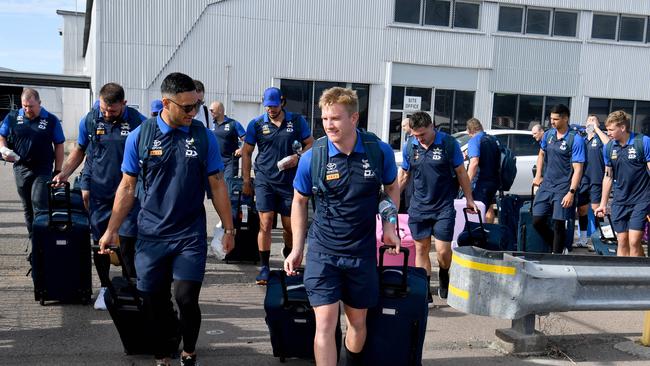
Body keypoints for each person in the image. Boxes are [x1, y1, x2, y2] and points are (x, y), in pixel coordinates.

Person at [98, 72, 235, 366]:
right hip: (151, 236)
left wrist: (228, 227)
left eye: (196, 105)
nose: (193, 112)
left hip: (189, 235)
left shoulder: (202, 136)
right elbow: (127, 187)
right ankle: (163, 354)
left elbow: (217, 184)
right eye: (186, 107)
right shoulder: (141, 136)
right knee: (153, 301)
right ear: (165, 104)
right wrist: (111, 230)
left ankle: (188, 352)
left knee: (185, 297)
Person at [285, 86, 400, 366]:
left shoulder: (377, 151)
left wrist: (389, 224)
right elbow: (299, 201)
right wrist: (296, 248)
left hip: (361, 252)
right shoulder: (314, 157)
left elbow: (392, 187)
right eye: (324, 119)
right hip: (323, 252)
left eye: (335, 118)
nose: (328, 125)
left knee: (357, 324)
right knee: (324, 323)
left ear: (354, 119)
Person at [53, 82, 146, 310]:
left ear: (124, 104)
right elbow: (80, 151)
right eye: (104, 109)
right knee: (101, 244)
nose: (107, 114)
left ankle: (129, 286)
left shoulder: (139, 122)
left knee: (127, 243)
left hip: (129, 194)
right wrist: (64, 173)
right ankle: (105, 287)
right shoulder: (91, 120)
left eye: (112, 111)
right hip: (99, 194)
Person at [398, 111, 477, 301]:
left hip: (443, 207)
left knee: (442, 252)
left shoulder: (448, 144)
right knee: (421, 249)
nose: (420, 139)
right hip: (418, 207)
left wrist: (469, 198)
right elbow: (404, 176)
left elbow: (461, 172)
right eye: (416, 135)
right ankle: (424, 289)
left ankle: (443, 272)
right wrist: (391, 201)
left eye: (423, 134)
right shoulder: (410, 145)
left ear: (432, 126)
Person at [241, 87, 313, 285]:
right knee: (265, 222)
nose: (271, 110)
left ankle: (290, 261)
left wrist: (297, 157)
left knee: (290, 227)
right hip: (265, 180)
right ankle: (264, 267)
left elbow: (311, 144)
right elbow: (246, 152)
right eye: (267, 106)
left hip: (290, 181)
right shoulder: (256, 124)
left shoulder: (297, 121)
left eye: (274, 106)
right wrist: (247, 180)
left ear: (282, 102)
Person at [0, 88, 64, 238]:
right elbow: (1, 135)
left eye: (31, 106)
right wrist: (3, 149)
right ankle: (33, 238)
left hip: (43, 168)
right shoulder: (13, 117)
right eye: (25, 106)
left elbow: (59, 145)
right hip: (21, 168)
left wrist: (58, 170)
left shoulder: (51, 120)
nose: (28, 109)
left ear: (39, 103)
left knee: (39, 203)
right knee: (27, 207)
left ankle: (42, 240)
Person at [595, 110, 650, 257]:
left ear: (623, 128)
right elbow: (608, 177)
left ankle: (639, 276)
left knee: (634, 241)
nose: (609, 132)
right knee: (622, 240)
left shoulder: (642, 142)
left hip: (641, 199)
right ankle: (623, 276)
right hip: (620, 200)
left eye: (611, 129)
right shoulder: (608, 148)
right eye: (607, 129)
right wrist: (603, 204)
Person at [532, 104, 585, 254]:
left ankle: (556, 255)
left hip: (563, 187)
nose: (552, 122)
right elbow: (541, 154)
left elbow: (578, 168)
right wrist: (538, 175)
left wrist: (571, 191)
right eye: (551, 119)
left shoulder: (575, 140)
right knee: (537, 221)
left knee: (559, 223)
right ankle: (560, 248)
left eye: (556, 119)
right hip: (547, 185)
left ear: (565, 118)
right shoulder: (548, 135)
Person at [574, 115, 609, 248]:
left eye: (594, 120)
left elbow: (608, 144)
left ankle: (599, 241)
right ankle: (583, 239)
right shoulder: (582, 139)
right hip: (583, 180)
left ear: (598, 124)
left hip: (597, 179)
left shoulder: (601, 138)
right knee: (582, 210)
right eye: (589, 120)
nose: (591, 122)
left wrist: (597, 130)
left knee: (597, 210)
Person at [465, 118, 500, 223]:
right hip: (494, 181)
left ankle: (477, 236)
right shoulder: (492, 139)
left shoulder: (475, 140)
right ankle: (488, 233)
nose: (469, 136)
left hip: (481, 183)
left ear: (471, 131)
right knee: (488, 208)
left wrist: (465, 183)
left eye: (469, 134)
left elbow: (474, 163)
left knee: (475, 211)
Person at [209, 101, 246, 180]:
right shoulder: (210, 124)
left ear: (220, 110)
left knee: (228, 187)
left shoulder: (233, 123)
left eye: (212, 110)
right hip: (215, 162)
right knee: (214, 190)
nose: (210, 112)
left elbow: (247, 139)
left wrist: (242, 149)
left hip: (230, 162)